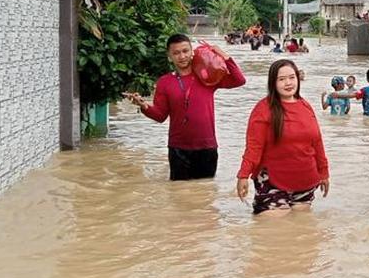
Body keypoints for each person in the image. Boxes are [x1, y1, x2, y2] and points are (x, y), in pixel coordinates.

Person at [125, 33, 246, 181]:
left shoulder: (207, 76)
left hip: (207, 146)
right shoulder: (165, 82)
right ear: (169, 56)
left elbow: (239, 80)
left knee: (205, 192)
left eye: (185, 51)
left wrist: (223, 55)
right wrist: (143, 105)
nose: (182, 56)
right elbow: (160, 116)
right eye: (176, 53)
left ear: (192, 52)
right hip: (178, 148)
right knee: (179, 194)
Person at [237, 59, 330, 216]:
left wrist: (324, 172)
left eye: (292, 77)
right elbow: (254, 147)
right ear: (273, 82)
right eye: (282, 79)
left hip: (305, 180)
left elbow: (317, 142)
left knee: (301, 230)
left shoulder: (305, 106)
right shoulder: (263, 109)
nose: (288, 83)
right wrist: (243, 175)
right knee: (274, 231)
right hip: (272, 180)